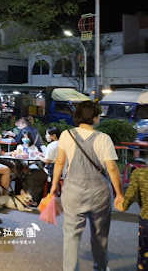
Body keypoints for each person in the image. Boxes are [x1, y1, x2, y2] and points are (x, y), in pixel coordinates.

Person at [49, 100, 124, 271]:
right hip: (100, 194)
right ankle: (100, 267)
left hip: (73, 192)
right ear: (96, 118)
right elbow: (112, 169)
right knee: (100, 234)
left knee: (71, 235)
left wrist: (54, 185)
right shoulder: (104, 139)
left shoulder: (66, 135)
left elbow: (60, 162)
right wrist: (119, 194)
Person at [120, 167, 148, 270]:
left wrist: (123, 205)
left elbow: (130, 196)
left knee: (144, 256)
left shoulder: (139, 173)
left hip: (146, 220)